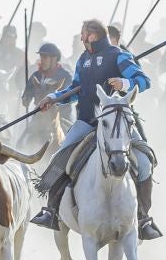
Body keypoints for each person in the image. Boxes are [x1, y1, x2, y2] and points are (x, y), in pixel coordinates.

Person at [27, 19, 159, 239]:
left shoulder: (118, 55)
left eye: (83, 34)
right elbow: (76, 89)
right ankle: (51, 211)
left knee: (144, 163)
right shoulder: (83, 59)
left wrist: (124, 83)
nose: (80, 37)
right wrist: (54, 98)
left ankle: (144, 219)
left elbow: (143, 80)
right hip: (87, 119)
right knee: (59, 158)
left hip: (118, 124)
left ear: (93, 36)